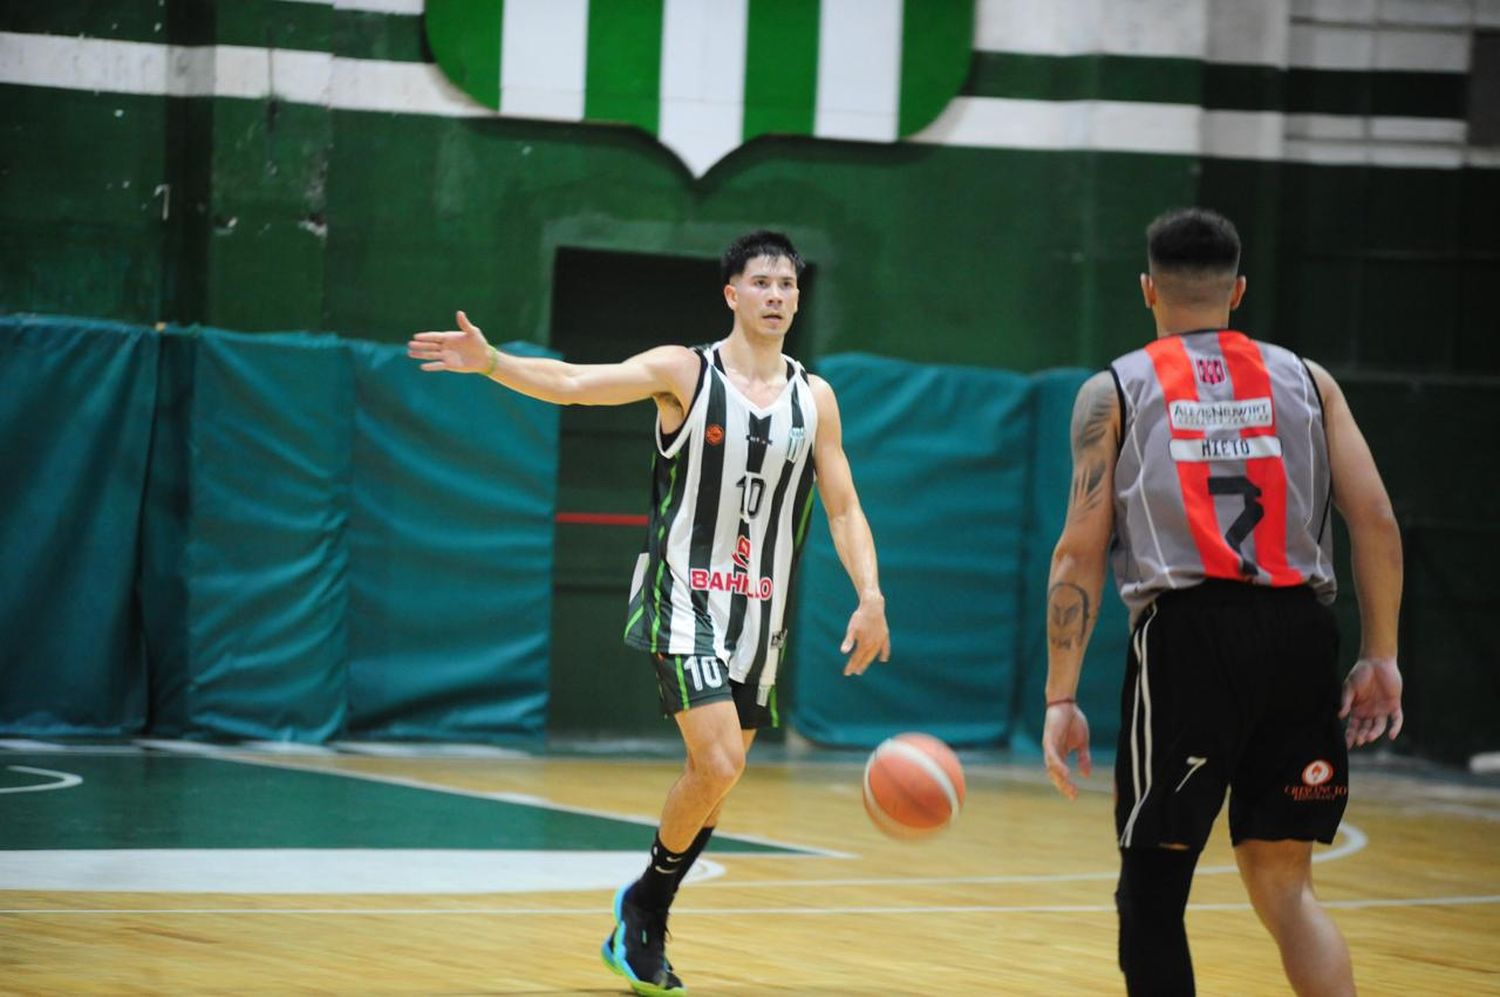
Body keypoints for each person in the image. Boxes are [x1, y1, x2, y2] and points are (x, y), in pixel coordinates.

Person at [408, 230, 890, 996]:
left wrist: (871, 593)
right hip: (685, 593)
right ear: (730, 293)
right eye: (760, 282)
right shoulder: (683, 371)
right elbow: (572, 383)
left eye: (787, 284)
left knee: (714, 780)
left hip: (759, 616)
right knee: (722, 760)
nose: (775, 294)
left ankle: (644, 906)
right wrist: (493, 362)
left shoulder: (814, 396)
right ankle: (645, 911)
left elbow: (843, 506)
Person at [1040, 207, 1404, 996]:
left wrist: (1060, 693)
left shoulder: (1114, 390)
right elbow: (1374, 517)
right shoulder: (1309, 380)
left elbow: (1079, 550)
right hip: (1302, 635)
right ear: (1238, 290)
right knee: (1288, 887)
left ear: (1147, 291)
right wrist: (1381, 653)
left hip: (1189, 641)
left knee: (1153, 894)